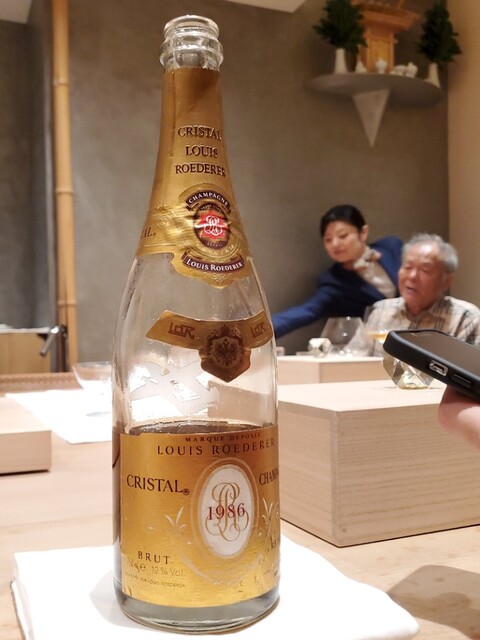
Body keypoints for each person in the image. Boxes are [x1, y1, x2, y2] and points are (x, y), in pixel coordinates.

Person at [272, 204, 403, 339]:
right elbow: (308, 310)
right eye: (328, 240)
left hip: (415, 331)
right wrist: (264, 329)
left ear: (363, 232)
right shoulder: (334, 281)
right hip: (377, 342)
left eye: (342, 235)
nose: (335, 244)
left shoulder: (392, 247)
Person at [366, 233, 480, 355]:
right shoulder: (381, 310)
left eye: (425, 270)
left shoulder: (466, 318)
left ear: (447, 281)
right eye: (408, 267)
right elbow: (358, 355)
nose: (412, 276)